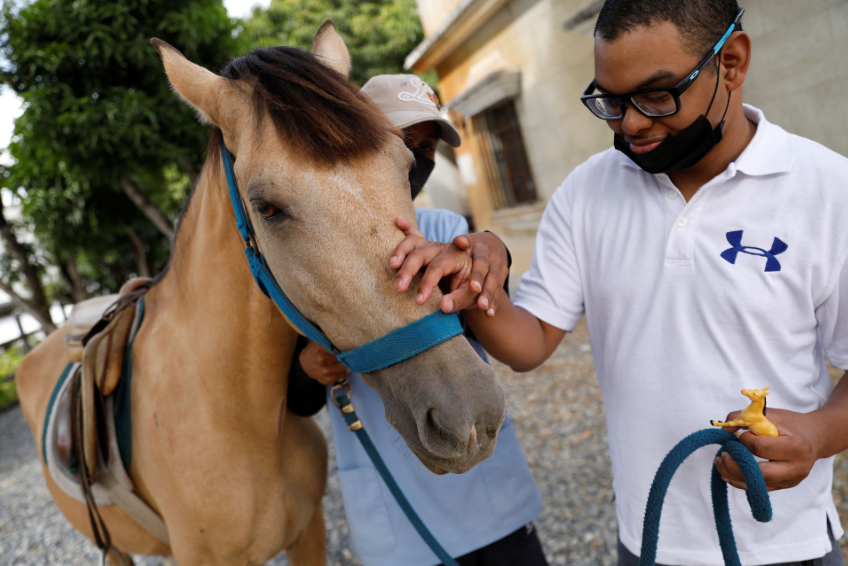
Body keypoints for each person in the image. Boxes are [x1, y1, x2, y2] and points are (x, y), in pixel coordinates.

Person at [390, 2, 848, 565]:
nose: (630, 123)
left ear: (731, 62)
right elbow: (529, 342)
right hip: (647, 541)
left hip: (788, 543)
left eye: (658, 96)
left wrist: (820, 433)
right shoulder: (588, 192)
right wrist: (474, 280)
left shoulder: (827, 191)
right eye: (610, 101)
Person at [286, 74, 546, 566]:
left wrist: (493, 251)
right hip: (398, 522)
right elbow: (297, 398)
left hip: (489, 502)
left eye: (426, 148)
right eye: (404, 143)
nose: (418, 159)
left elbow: (494, 302)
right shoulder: (311, 253)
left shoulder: (448, 230)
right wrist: (309, 367)